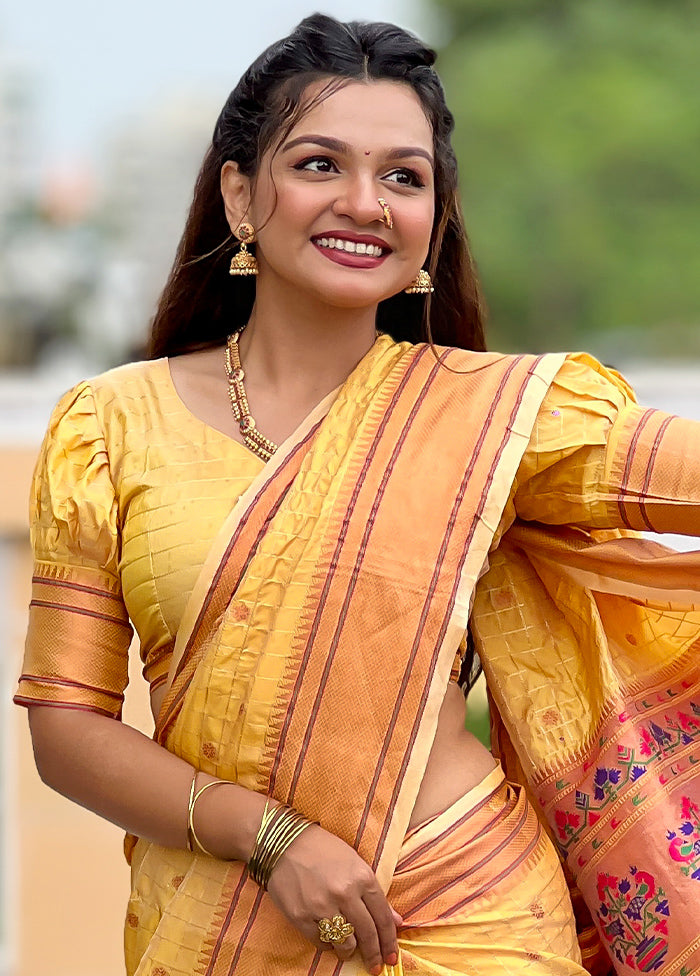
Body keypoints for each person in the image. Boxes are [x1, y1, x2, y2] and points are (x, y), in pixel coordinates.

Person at [14, 14, 700, 976]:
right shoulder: (111, 429)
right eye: (320, 164)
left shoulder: (499, 419)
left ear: (434, 219)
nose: (365, 202)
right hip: (224, 927)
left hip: (474, 915)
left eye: (404, 177)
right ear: (241, 195)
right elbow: (65, 726)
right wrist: (270, 837)